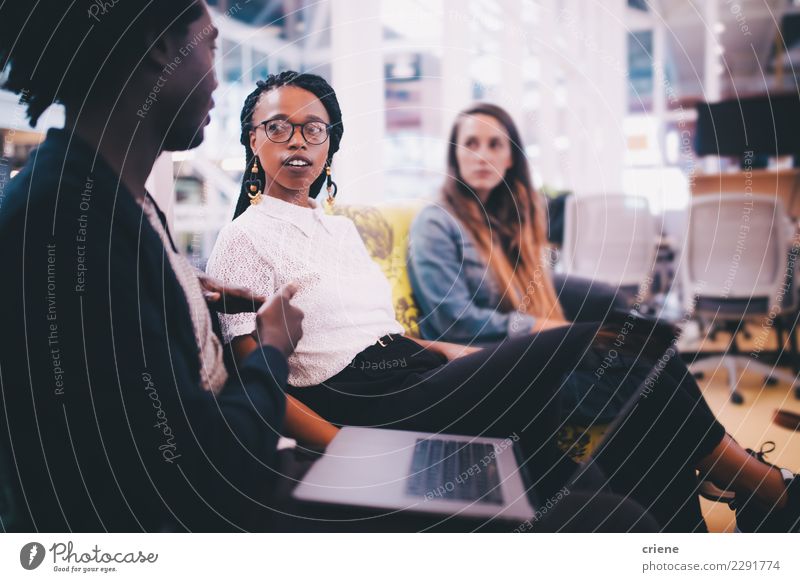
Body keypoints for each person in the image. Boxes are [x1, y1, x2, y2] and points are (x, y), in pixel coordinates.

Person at [205, 71, 799, 533]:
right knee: (613, 346)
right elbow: (258, 383)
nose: (298, 142)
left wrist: (460, 353)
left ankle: (693, 528)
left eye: (315, 128)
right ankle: (766, 488)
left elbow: (382, 330)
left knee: (625, 386)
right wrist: (344, 447)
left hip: (413, 370)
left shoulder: (339, 229)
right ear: (252, 140)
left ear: (330, 144)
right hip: (362, 404)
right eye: (277, 126)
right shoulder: (242, 238)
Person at [0, 0, 304, 532]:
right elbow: (201, 473)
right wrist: (273, 347)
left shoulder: (114, 200)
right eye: (210, 45)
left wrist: (183, 298)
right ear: (160, 45)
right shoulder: (68, 222)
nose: (216, 79)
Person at [408, 103, 622, 345]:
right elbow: (456, 323)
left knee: (615, 310)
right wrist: (546, 327)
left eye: (495, 144)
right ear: (455, 157)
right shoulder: (435, 223)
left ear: (510, 158)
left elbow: (532, 283)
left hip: (519, 330)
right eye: (470, 144)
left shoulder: (510, 215)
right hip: (483, 349)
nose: (483, 156)